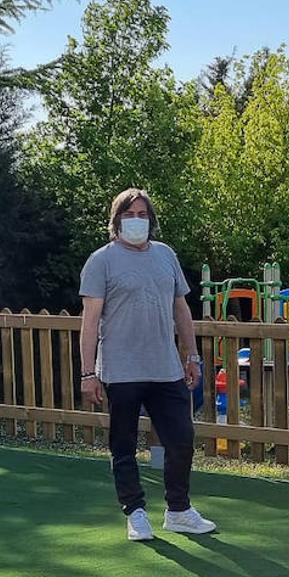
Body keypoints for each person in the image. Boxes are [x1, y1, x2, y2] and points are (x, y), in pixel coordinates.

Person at [79, 188, 217, 541]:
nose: (137, 220)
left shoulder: (165, 255)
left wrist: (191, 355)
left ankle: (179, 510)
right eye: (130, 214)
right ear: (116, 221)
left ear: (151, 220)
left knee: (182, 439)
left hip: (166, 367)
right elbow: (90, 320)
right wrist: (88, 373)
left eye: (143, 214)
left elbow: (181, 309)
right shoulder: (101, 261)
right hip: (120, 370)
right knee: (123, 445)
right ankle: (135, 512)